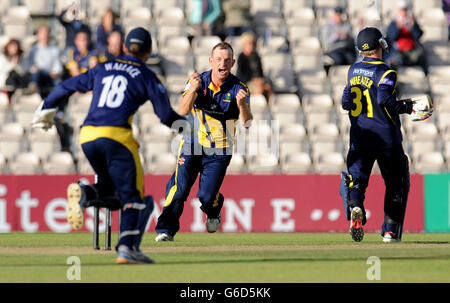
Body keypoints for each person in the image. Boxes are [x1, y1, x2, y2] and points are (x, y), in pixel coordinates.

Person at [31, 27, 187, 264]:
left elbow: (66, 86)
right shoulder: (146, 75)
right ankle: (127, 249)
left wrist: (46, 108)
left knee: (113, 193)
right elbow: (165, 115)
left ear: (124, 47)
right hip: (117, 138)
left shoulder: (102, 67)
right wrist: (192, 129)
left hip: (88, 136)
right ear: (148, 52)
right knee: (137, 199)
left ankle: (85, 192)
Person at [339, 27, 432, 243]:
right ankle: (390, 231)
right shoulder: (386, 72)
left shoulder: (352, 70)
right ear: (379, 45)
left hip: (360, 136)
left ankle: (355, 208)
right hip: (386, 138)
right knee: (396, 183)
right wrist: (408, 108)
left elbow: (346, 102)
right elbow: (383, 100)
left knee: (355, 180)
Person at [154, 42, 253, 242]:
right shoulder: (199, 80)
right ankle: (165, 229)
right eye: (218, 59)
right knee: (179, 189)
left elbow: (247, 122)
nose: (222, 63)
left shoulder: (239, 88)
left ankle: (214, 209)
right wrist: (192, 90)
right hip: (192, 143)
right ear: (211, 61)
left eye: (226, 60)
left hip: (220, 149)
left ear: (233, 63)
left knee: (206, 196)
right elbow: (182, 110)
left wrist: (241, 105)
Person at [385, 1, 427, 72]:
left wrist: (413, 26)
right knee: (395, 60)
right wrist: (398, 28)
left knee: (420, 56)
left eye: (405, 10)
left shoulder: (412, 22)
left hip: (411, 51)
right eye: (402, 10)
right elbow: (390, 38)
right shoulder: (394, 23)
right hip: (398, 51)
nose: (404, 12)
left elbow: (418, 35)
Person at [28, 25, 63, 99]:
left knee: (58, 82)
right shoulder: (32, 50)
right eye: (42, 33)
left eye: (46, 33)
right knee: (36, 75)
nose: (45, 36)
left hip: (50, 76)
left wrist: (54, 73)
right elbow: (30, 66)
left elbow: (57, 67)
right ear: (38, 35)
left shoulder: (55, 50)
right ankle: (35, 95)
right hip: (37, 75)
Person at [236, 32, 273, 101]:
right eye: (249, 44)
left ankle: (269, 107)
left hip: (258, 82)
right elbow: (241, 75)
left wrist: (260, 80)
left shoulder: (256, 56)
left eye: (253, 44)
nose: (251, 46)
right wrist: (254, 80)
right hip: (245, 83)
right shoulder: (241, 57)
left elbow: (260, 71)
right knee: (260, 89)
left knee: (268, 88)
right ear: (244, 45)